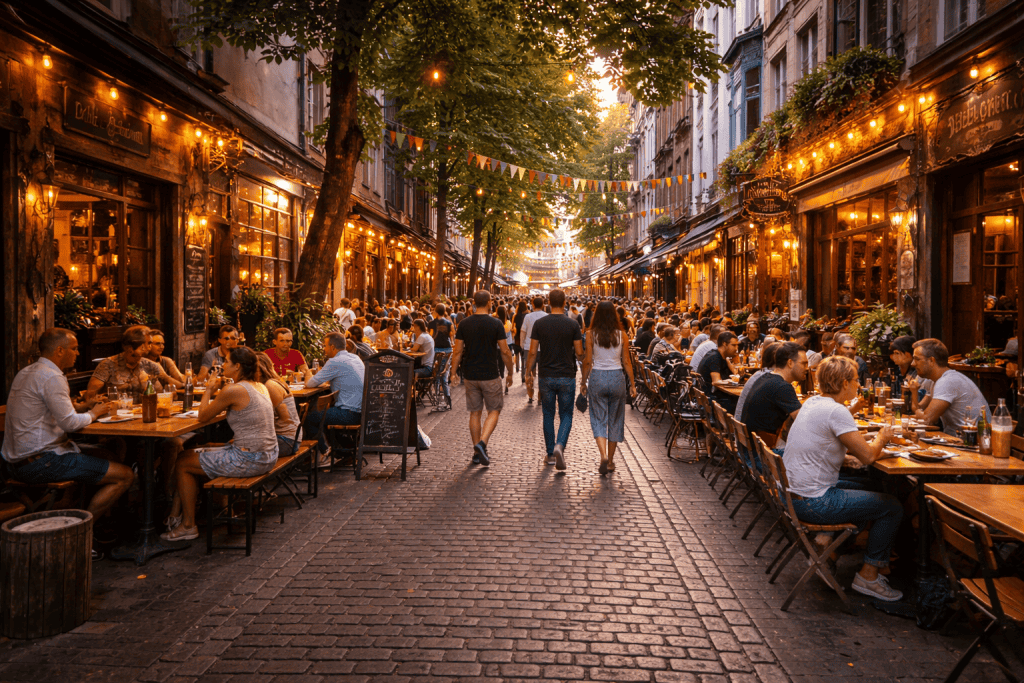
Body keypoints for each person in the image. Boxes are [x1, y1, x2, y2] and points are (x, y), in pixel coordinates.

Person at [782, 356, 903, 602]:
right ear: (845, 383)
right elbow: (869, 456)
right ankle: (868, 576)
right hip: (814, 503)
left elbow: (836, 441)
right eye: (857, 380)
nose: (858, 385)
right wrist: (883, 435)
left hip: (794, 496)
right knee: (891, 506)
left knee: (869, 487)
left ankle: (828, 549)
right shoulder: (836, 411)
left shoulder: (814, 402)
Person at [2, 328, 133, 555]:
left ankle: (94, 520)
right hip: (42, 462)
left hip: (17, 462)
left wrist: (82, 407)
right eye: (74, 349)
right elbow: (71, 424)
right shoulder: (52, 377)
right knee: (125, 475)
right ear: (59, 350)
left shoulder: (28, 372)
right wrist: (96, 413)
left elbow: (51, 410)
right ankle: (81, 534)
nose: (77, 353)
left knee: (110, 454)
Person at [161, 346, 280, 542]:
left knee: (183, 464)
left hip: (250, 459)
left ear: (238, 366)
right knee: (188, 454)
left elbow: (203, 416)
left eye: (226, 362)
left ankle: (188, 525)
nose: (222, 365)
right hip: (268, 455)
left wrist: (209, 388)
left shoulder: (234, 389)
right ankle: (177, 515)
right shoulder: (259, 385)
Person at [450, 290, 514, 467]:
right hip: (490, 373)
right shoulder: (496, 323)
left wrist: (453, 372)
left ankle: (477, 453)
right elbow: (505, 350)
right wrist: (510, 371)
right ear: (489, 303)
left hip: (470, 374)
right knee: (494, 410)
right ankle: (482, 443)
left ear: (473, 304)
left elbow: (457, 351)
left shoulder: (464, 324)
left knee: (475, 412)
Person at [525, 290, 584, 470]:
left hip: (546, 375)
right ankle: (560, 445)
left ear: (548, 302)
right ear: (565, 302)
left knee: (548, 414)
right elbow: (580, 353)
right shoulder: (572, 325)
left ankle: (550, 454)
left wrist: (528, 372)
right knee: (566, 414)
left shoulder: (539, 323)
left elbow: (533, 351)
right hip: (567, 375)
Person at [580, 301, 636, 475]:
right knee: (615, 419)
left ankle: (602, 455)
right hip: (617, 377)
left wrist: (583, 382)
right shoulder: (622, 335)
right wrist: (632, 384)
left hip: (597, 377)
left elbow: (588, 361)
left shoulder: (590, 335)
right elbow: (627, 361)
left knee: (598, 418)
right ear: (615, 315)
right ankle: (610, 461)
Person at [305, 331, 365, 465]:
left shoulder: (334, 362)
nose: (324, 349)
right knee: (326, 415)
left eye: (325, 346)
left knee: (310, 418)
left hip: (350, 413)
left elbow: (310, 384)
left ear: (332, 347)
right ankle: (345, 452)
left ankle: (325, 453)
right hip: (362, 411)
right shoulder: (355, 358)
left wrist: (307, 372)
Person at [738, 342, 811, 448]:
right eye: (804, 363)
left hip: (749, 449)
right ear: (790, 363)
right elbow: (804, 422)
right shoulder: (782, 387)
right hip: (759, 456)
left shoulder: (766, 377)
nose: (807, 368)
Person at [910, 338, 989, 435]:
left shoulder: (947, 381)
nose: (912, 364)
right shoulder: (936, 381)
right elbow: (922, 412)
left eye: (917, 359)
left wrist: (919, 414)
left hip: (972, 442)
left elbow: (927, 419)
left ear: (931, 360)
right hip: (957, 439)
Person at [87, 325, 182, 400]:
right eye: (148, 343)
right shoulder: (107, 365)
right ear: (131, 346)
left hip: (144, 413)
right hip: (117, 416)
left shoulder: (150, 365)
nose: (149, 347)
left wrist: (170, 394)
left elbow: (162, 391)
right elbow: (90, 395)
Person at [256, 353, 302, 457]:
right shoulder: (272, 382)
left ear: (260, 370)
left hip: (287, 441)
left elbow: (284, 418)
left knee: (243, 449)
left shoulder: (270, 385)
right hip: (291, 438)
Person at [697, 331, 740, 414]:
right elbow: (716, 381)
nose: (736, 348)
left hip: (710, 398)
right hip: (711, 400)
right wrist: (729, 381)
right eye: (733, 345)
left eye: (737, 345)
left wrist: (734, 359)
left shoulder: (720, 355)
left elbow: (736, 374)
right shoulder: (714, 357)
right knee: (740, 402)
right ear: (724, 344)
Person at [520, 296, 547, 403]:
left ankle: (530, 394)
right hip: (543, 349)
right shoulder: (546, 316)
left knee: (529, 371)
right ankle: (540, 396)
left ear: (533, 304)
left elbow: (523, 332)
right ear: (543, 304)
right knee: (542, 373)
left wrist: (522, 344)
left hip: (528, 347)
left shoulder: (528, 316)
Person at [512, 300, 528, 376]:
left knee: (517, 353)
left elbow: (513, 327)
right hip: (525, 338)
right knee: (524, 356)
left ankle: (517, 367)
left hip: (517, 337)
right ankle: (523, 374)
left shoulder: (515, 316)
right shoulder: (528, 315)